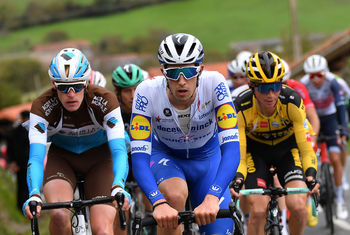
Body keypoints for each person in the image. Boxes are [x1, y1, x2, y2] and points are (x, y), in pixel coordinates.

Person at [130, 33, 240, 235]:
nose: (182, 81)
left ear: (200, 71)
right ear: (163, 72)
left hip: (208, 159)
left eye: (189, 71)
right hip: (167, 157)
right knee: (173, 197)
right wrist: (157, 202)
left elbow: (232, 149)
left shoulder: (215, 83)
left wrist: (213, 197)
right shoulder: (146, 92)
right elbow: (138, 158)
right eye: (173, 73)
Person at [22, 48, 130, 234]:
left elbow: (119, 150)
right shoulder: (42, 107)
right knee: (58, 215)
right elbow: (36, 157)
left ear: (87, 82)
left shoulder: (105, 101)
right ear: (53, 85)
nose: (71, 93)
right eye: (63, 87)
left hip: (100, 161)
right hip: (62, 160)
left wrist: (119, 185)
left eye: (77, 86)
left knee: (102, 230)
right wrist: (33, 194)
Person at [232, 51, 318, 235]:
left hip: (287, 151)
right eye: (264, 89)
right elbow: (240, 152)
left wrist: (311, 172)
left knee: (299, 207)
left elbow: (306, 147)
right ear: (251, 86)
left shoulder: (292, 101)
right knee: (257, 211)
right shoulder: (241, 106)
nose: (271, 94)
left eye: (276, 86)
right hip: (256, 154)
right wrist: (238, 177)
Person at [301, 54, 349, 219]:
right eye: (312, 75)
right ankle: (312, 199)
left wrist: (343, 128)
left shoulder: (333, 82)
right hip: (312, 119)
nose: (315, 79)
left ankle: (339, 200)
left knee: (335, 158)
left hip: (330, 119)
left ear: (325, 72)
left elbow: (341, 105)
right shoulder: (304, 84)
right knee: (310, 159)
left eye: (319, 75)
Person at [112, 63, 156, 234]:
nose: (133, 95)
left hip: (146, 162)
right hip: (122, 165)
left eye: (136, 89)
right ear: (118, 93)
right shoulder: (112, 112)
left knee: (150, 192)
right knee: (120, 208)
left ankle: (153, 224)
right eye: (127, 91)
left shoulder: (150, 108)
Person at [6, 110, 30, 211]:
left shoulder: (30, 130)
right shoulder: (16, 132)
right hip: (21, 164)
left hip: (28, 163)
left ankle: (27, 206)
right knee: (22, 186)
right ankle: (22, 207)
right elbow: (11, 148)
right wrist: (12, 162)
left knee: (27, 185)